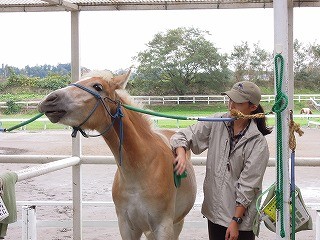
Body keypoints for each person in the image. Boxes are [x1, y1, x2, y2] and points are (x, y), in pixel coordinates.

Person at [170, 81, 272, 240]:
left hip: (240, 221)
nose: (231, 105)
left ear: (252, 107)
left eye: (237, 102)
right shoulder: (217, 122)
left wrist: (235, 221)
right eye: (230, 99)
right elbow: (182, 135)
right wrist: (181, 152)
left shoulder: (258, 143)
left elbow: (249, 186)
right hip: (214, 213)